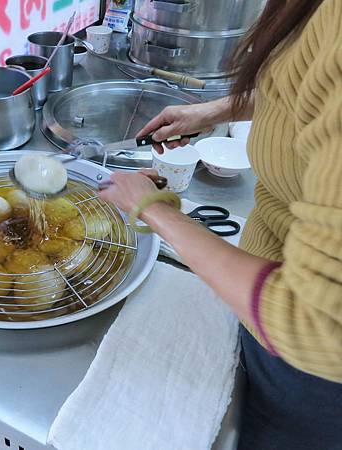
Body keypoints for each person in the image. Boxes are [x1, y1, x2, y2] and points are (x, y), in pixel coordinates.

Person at [98, 1, 342, 448]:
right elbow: (303, 93)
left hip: (315, 373)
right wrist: (215, 111)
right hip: (269, 292)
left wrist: (153, 209)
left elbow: (319, 323)